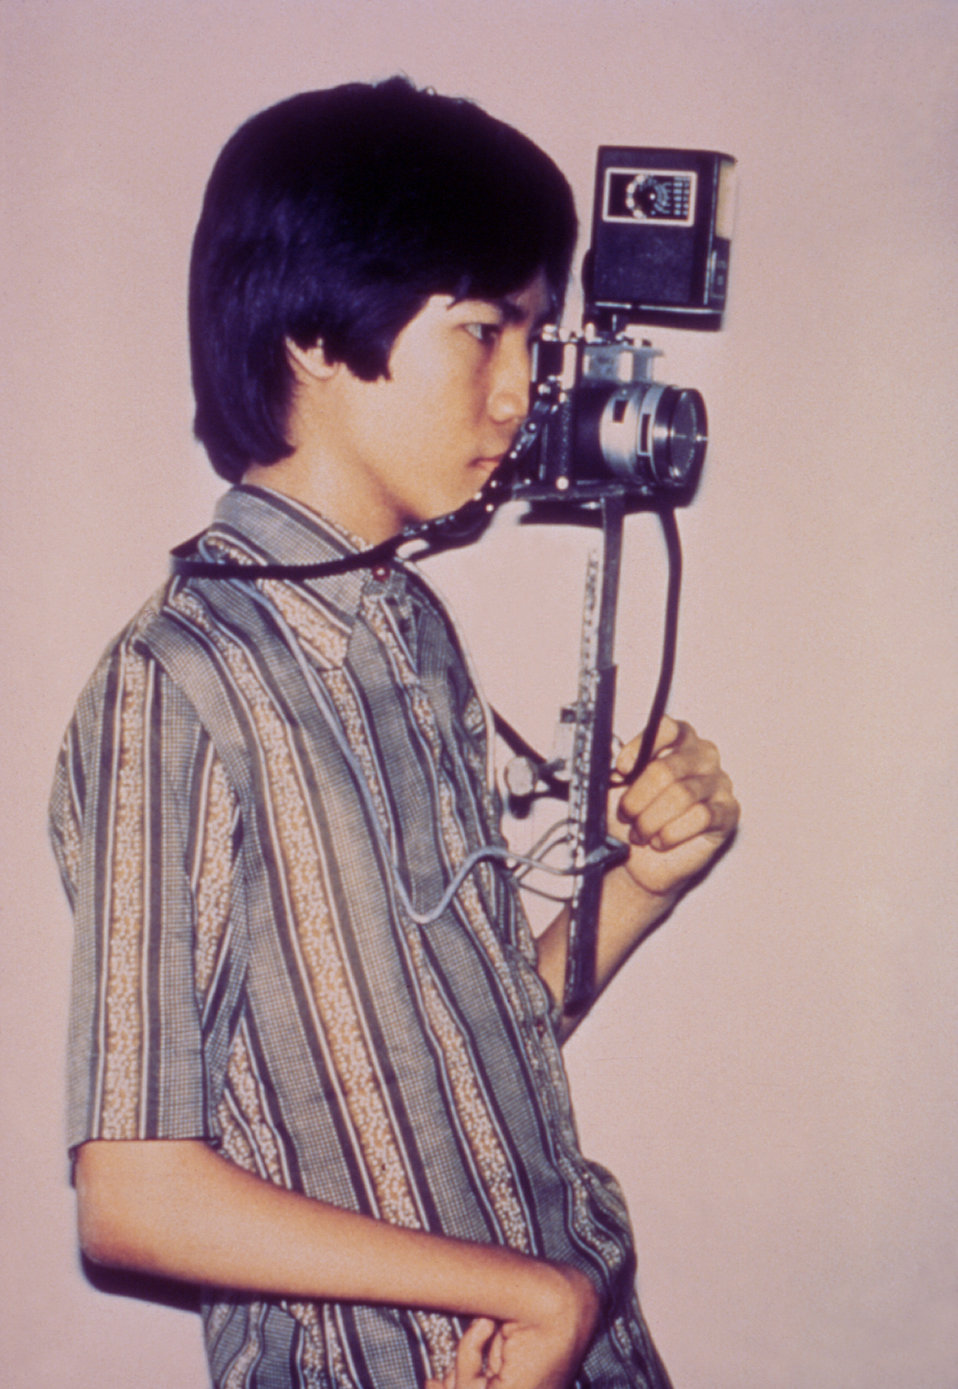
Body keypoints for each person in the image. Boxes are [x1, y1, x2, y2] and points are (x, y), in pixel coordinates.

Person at [49, 78, 739, 1389]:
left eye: (531, 337)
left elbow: (458, 1060)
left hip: (578, 1343)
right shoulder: (175, 684)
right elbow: (135, 1196)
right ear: (317, 334)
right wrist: (525, 1293)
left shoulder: (407, 628)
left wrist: (641, 885)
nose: (518, 392)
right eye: (483, 332)